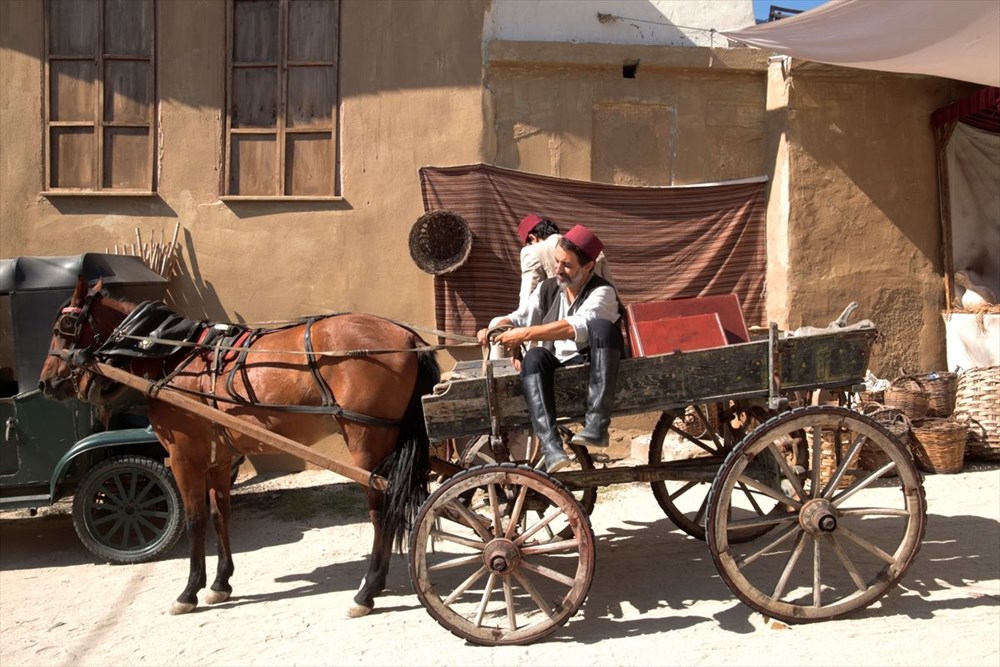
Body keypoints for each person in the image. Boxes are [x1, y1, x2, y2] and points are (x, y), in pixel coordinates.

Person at [477, 224, 625, 473]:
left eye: (567, 265)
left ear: (588, 266)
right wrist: (495, 328)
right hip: (560, 365)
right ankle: (551, 446)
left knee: (600, 327)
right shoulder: (548, 288)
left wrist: (524, 334)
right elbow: (520, 317)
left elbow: (575, 326)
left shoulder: (603, 292)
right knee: (534, 357)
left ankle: (597, 423)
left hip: (591, 362)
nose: (558, 270)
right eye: (557, 262)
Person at [516, 213, 613, 310]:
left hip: (560, 320)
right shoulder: (590, 249)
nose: (558, 270)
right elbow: (612, 291)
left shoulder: (532, 251)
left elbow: (527, 300)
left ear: (532, 238)